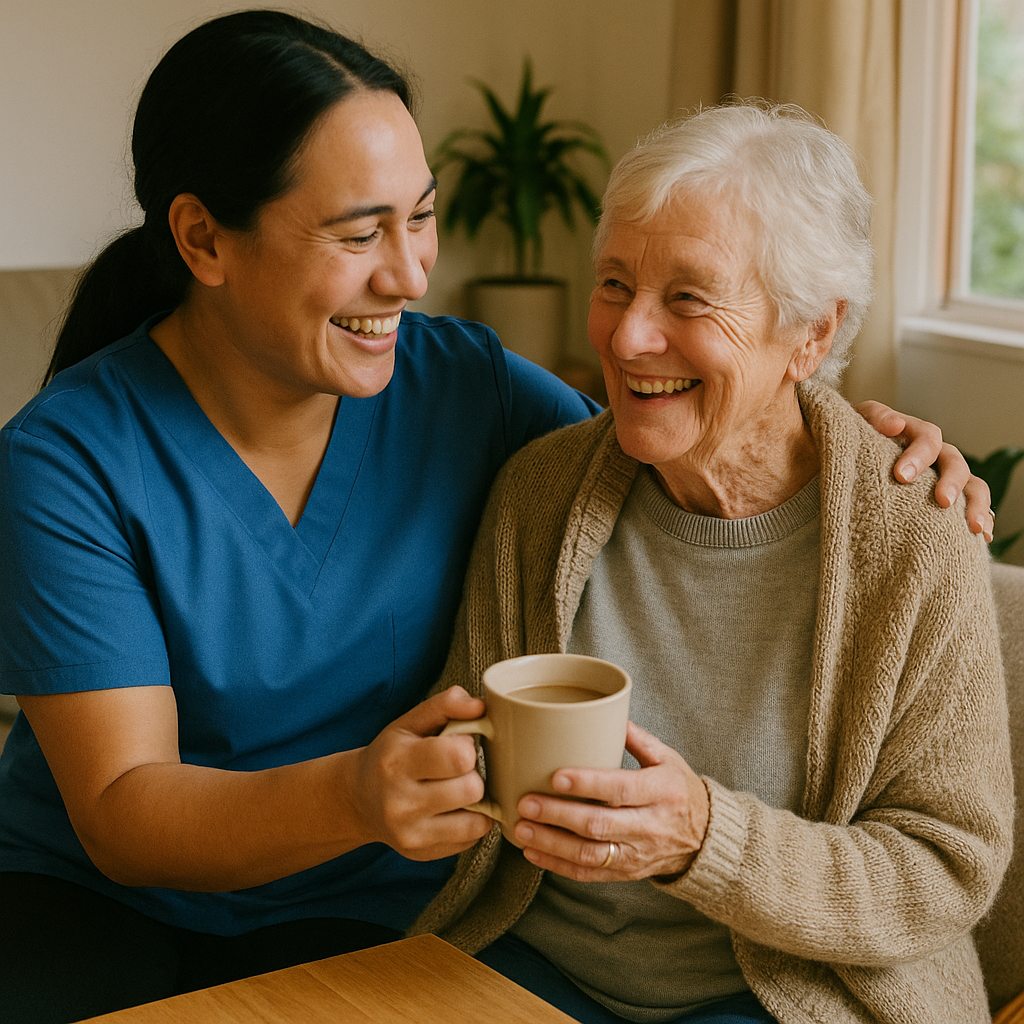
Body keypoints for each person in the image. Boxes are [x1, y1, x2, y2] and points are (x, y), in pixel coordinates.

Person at [0, 12, 990, 1023]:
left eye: (419, 216)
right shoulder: (68, 456)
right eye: (358, 233)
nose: (412, 273)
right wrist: (356, 795)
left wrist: (846, 432)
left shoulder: (462, 388)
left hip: (363, 897)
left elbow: (663, 433)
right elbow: (124, 808)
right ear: (204, 237)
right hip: (95, 895)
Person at [410, 102, 1014, 1024]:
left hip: (785, 994)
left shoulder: (916, 534)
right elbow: (477, 766)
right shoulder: (540, 495)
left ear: (811, 333)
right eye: (614, 283)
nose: (626, 337)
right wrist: (441, 777)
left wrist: (704, 840)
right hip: (535, 970)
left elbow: (945, 867)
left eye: (687, 297)